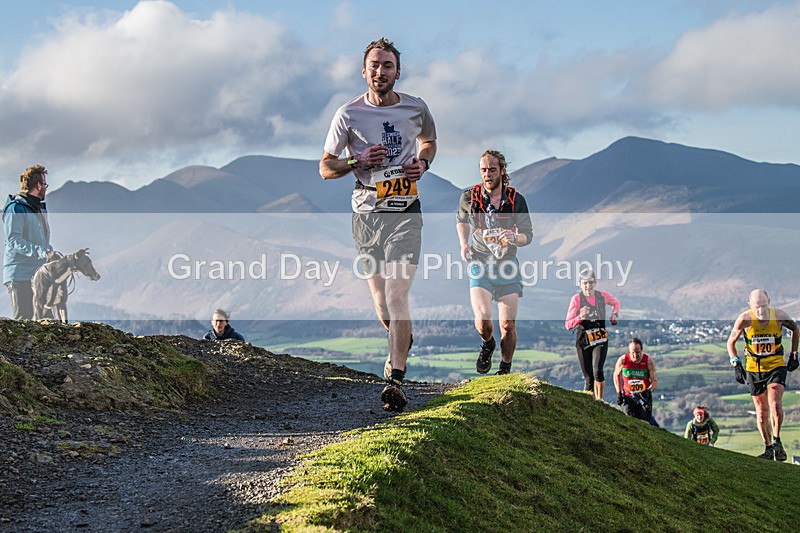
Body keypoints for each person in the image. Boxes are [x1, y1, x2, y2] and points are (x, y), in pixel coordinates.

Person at [319, 38, 436, 413]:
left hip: (404, 208)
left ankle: (395, 379)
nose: (380, 71)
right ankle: (401, 339)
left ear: (397, 71)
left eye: (387, 65)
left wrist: (423, 161)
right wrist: (357, 161)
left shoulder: (415, 107)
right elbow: (325, 168)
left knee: (398, 295)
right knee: (381, 302)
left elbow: (429, 140)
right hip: (366, 212)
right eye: (374, 65)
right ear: (364, 69)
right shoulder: (347, 114)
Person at [456, 150, 533, 375]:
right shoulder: (470, 197)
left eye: (492, 169)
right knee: (482, 321)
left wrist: (514, 237)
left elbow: (528, 235)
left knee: (507, 326)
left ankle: (505, 369)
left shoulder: (516, 200)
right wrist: (463, 243)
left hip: (507, 265)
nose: (487, 174)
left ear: (501, 171)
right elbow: (461, 221)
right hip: (480, 262)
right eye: (483, 170)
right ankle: (488, 344)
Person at [726, 289, 799, 461]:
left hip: (776, 365)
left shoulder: (779, 315)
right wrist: (736, 363)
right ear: (750, 305)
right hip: (754, 368)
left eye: (764, 305)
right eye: (757, 306)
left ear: (769, 302)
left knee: (774, 403)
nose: (761, 310)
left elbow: (796, 329)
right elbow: (731, 342)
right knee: (761, 411)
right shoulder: (745, 319)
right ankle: (767, 448)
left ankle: (777, 441)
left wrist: (794, 355)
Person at [3, 164, 53, 319]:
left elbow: (40, 241)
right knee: (23, 321)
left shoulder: (38, 209)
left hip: (38, 274)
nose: (45, 188)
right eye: (45, 184)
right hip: (19, 275)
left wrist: (49, 250)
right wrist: (40, 251)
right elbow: (13, 240)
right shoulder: (16, 208)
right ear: (38, 185)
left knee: (46, 321)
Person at [565, 270, 620, 401]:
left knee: (597, 371)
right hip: (583, 340)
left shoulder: (603, 296)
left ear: (595, 283)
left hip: (600, 338)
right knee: (589, 377)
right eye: (585, 283)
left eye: (591, 282)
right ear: (580, 284)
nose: (588, 286)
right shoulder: (576, 299)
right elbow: (568, 325)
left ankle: (599, 401)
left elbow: (616, 303)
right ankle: (589, 405)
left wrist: (615, 314)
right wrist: (580, 317)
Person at [613, 338, 658, 422]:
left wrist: (648, 391)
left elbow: (654, 380)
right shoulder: (623, 360)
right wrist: (619, 392)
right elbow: (616, 375)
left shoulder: (648, 361)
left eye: (637, 352)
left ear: (641, 350)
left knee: (645, 424)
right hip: (628, 396)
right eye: (632, 353)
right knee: (630, 422)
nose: (635, 355)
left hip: (644, 397)